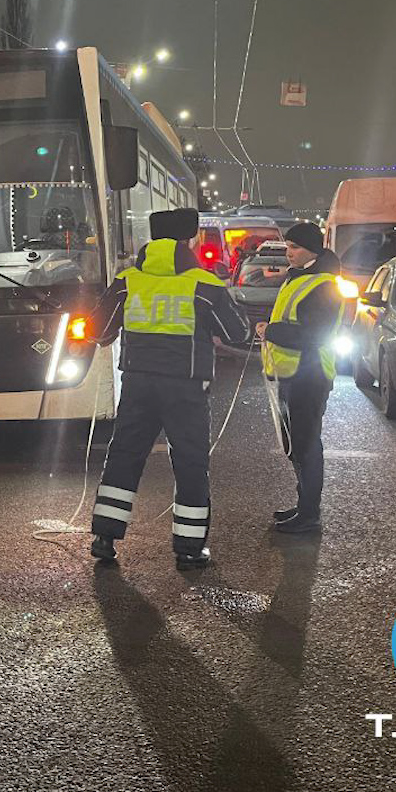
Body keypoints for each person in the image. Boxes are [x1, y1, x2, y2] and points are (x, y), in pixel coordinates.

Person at [87, 208, 248, 569]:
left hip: (138, 384)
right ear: (187, 240)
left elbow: (98, 332)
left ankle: (105, 537)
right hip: (186, 389)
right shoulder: (204, 284)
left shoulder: (128, 281)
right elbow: (239, 333)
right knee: (190, 462)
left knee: (124, 455)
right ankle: (189, 549)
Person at [261, 221, 342, 535]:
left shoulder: (323, 284)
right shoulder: (299, 278)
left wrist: (271, 331)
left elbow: (312, 335)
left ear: (312, 249)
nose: (288, 252)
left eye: (294, 247)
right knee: (296, 443)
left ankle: (309, 514)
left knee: (307, 445)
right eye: (288, 246)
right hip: (292, 373)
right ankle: (304, 506)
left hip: (310, 375)